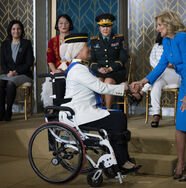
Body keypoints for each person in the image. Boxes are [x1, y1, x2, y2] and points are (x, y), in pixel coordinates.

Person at [130, 10, 186, 181]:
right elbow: (161, 66)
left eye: (160, 24)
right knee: (180, 126)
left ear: (169, 24)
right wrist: (142, 81)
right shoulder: (167, 41)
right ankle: (181, 164)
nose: (157, 28)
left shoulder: (184, 38)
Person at [59, 33, 140, 173]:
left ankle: (119, 159)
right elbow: (101, 87)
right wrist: (126, 88)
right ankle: (121, 162)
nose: (89, 49)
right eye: (86, 47)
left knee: (118, 116)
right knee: (118, 119)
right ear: (78, 51)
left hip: (85, 111)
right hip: (80, 114)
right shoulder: (78, 69)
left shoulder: (79, 67)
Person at [130, 33, 181, 128]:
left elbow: (182, 62)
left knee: (160, 72)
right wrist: (162, 66)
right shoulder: (156, 46)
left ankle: (142, 92)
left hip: (175, 75)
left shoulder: (178, 44)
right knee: (156, 84)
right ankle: (156, 115)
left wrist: (170, 65)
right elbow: (152, 60)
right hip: (161, 76)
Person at [90, 13, 128, 109]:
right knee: (98, 81)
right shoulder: (94, 41)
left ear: (111, 27)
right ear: (99, 27)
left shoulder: (119, 39)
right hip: (100, 72)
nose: (105, 29)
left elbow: (123, 58)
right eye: (103, 26)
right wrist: (99, 69)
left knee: (108, 82)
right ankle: (99, 109)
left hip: (115, 71)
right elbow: (91, 60)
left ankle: (108, 110)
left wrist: (111, 68)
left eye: (108, 26)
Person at [0, 20, 33, 121]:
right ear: (10, 30)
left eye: (18, 29)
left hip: (23, 74)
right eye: (13, 29)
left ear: (21, 30)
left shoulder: (26, 43)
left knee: (10, 83)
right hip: (8, 74)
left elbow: (29, 63)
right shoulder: (5, 44)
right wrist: (8, 72)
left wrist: (15, 72)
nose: (16, 31)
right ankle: (1, 111)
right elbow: (2, 62)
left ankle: (9, 111)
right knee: (0, 82)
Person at [41, 14, 73, 107]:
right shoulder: (52, 40)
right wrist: (55, 71)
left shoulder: (74, 39)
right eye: (61, 23)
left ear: (70, 25)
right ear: (57, 25)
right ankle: (54, 109)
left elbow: (77, 57)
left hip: (71, 70)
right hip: (56, 70)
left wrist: (68, 70)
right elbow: (50, 59)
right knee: (48, 86)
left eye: (66, 23)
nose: (63, 25)